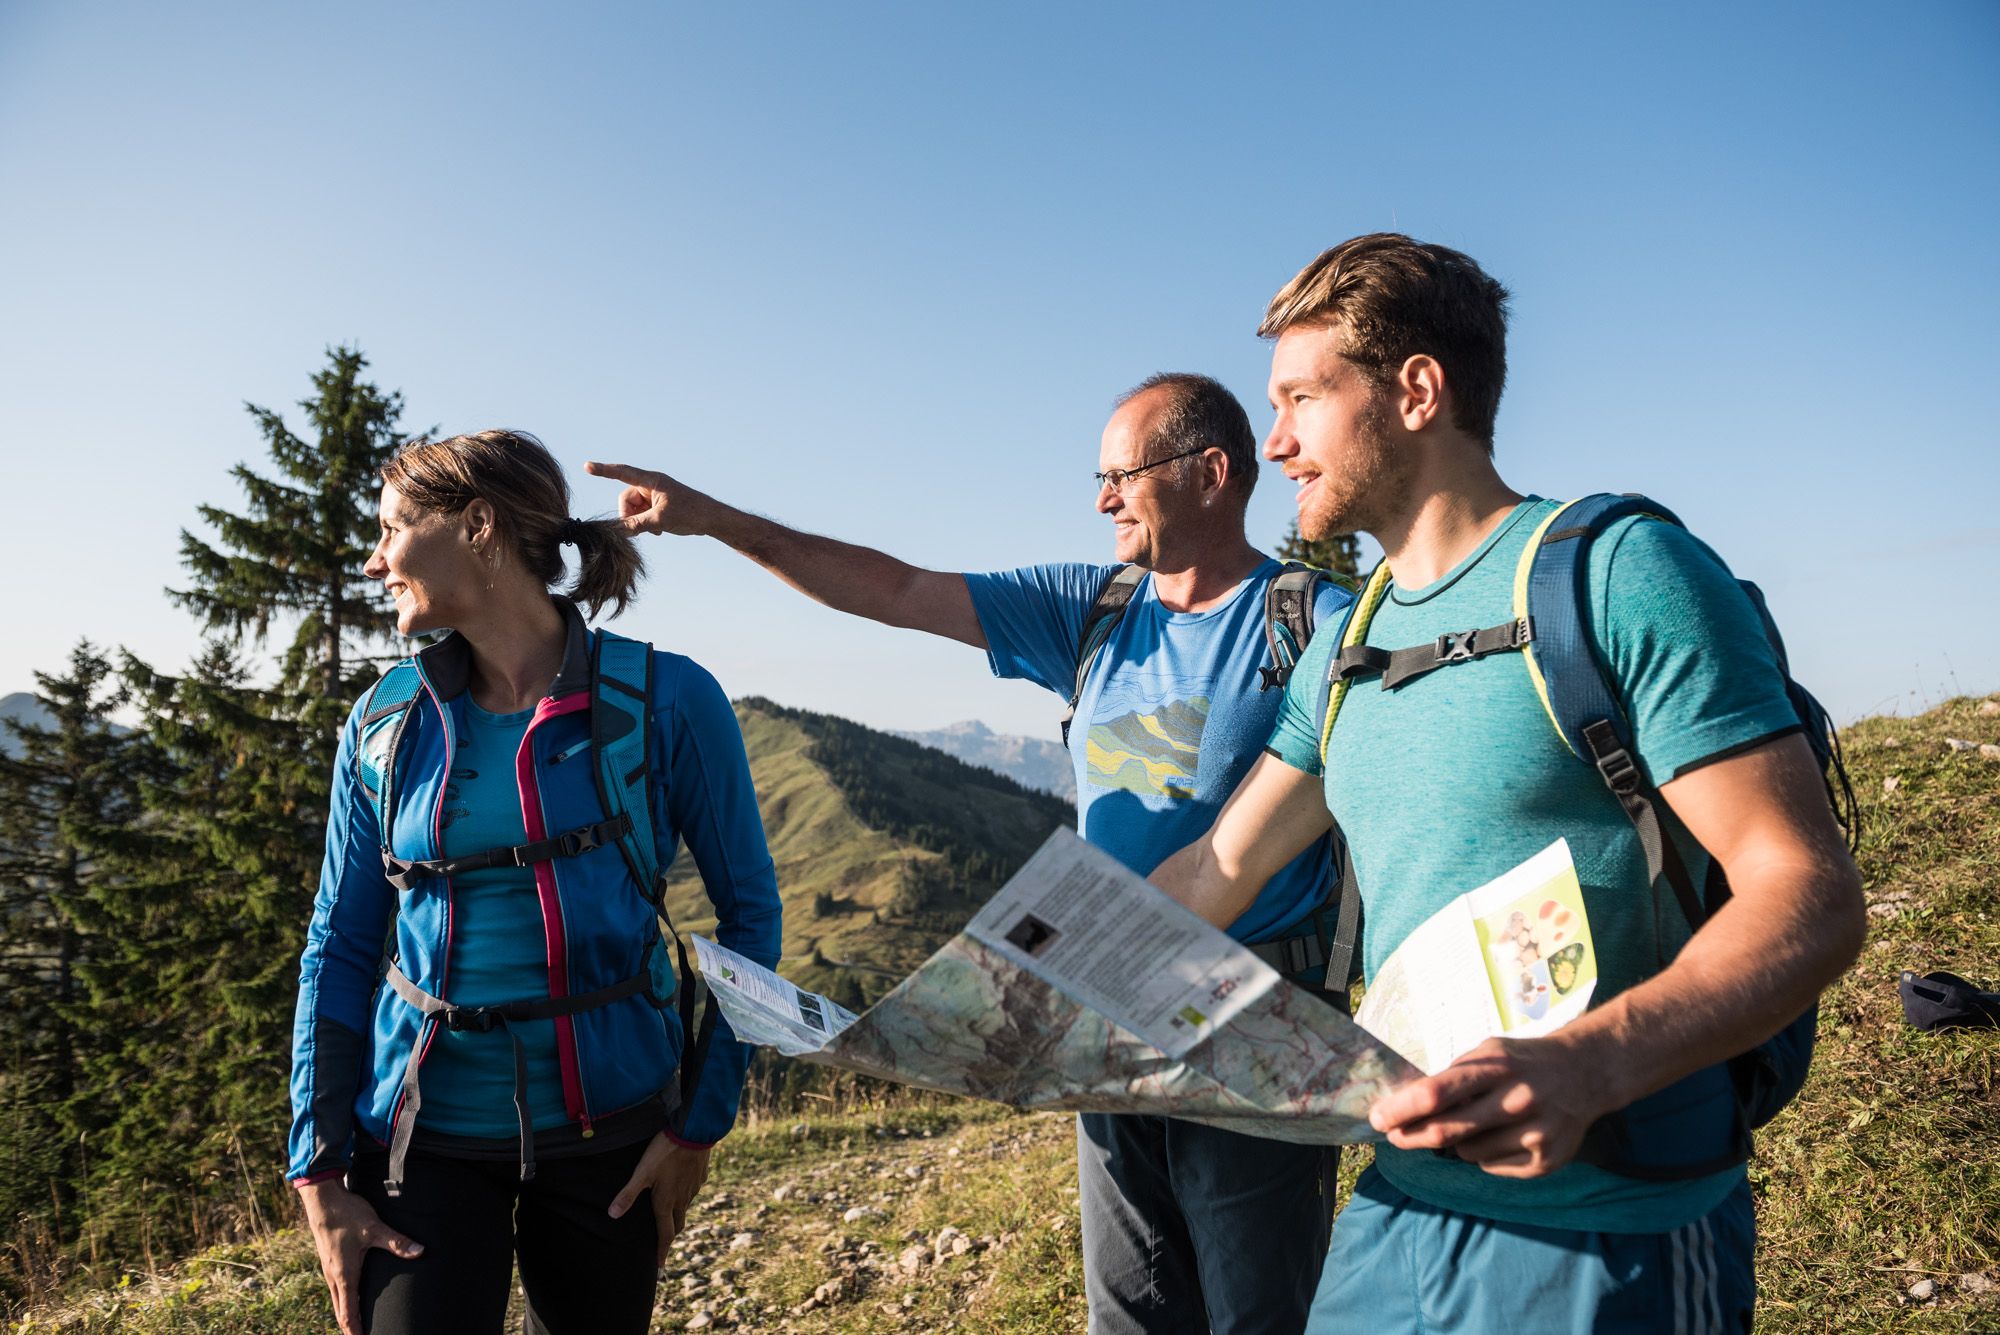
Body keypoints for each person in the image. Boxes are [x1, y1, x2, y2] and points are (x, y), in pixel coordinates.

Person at [1150, 235, 1866, 1333]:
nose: (1277, 441)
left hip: (1610, 1226)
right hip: (1396, 1210)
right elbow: (1221, 863)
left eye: (1300, 398)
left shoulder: (1620, 575)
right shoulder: (1353, 639)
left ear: (1415, 391)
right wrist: (1026, 982)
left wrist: (1588, 1065)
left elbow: (1804, 894)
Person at [589, 371, 1354, 1335]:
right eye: (1099, 475)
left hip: (1254, 1026)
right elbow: (896, 587)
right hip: (1105, 1018)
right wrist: (714, 519)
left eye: (1122, 474)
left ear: (1210, 472)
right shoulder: (1094, 608)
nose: (1101, 498)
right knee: (1132, 1311)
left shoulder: (1317, 622)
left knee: (1258, 1315)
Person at [286, 430, 783, 1335]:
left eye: (393, 529)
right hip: (416, 1140)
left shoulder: (668, 700)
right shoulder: (384, 721)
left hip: (616, 1141)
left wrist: (696, 1129)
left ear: (477, 525)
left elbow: (750, 917)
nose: (375, 560)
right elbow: (340, 941)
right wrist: (316, 1167)